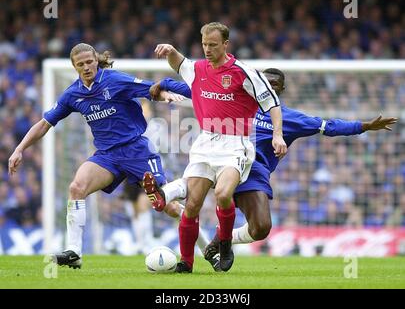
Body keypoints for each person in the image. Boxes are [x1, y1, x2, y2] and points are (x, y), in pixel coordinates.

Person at [145, 68, 398, 271]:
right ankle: (165, 194)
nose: (269, 87)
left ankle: (223, 238)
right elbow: (198, 89)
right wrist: (165, 83)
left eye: (274, 85)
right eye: (265, 82)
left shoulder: (288, 119)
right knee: (200, 178)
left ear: (281, 90)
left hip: (253, 171)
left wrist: (363, 126)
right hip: (221, 155)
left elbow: (328, 126)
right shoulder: (234, 100)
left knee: (261, 228)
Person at [8, 43, 190, 269]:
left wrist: (163, 94)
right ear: (74, 67)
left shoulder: (114, 80)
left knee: (168, 206)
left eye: (89, 62)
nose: (86, 67)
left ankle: (204, 242)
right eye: (80, 64)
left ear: (96, 60)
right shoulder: (72, 94)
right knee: (76, 187)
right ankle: (74, 251)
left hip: (136, 150)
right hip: (107, 156)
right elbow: (45, 124)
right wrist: (19, 148)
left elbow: (149, 88)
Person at [145, 22, 287, 273]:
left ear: (225, 44)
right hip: (205, 142)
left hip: (236, 145)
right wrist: (170, 50)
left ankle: (224, 243)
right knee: (192, 204)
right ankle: (186, 263)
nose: (208, 49)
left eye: (213, 45)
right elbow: (180, 63)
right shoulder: (198, 69)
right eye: (204, 45)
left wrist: (278, 135)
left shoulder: (244, 72)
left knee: (222, 194)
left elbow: (272, 103)